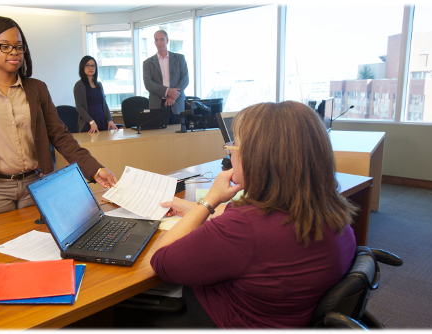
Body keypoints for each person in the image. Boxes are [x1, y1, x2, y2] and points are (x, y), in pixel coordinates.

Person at [149, 101, 358, 328]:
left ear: (258, 157)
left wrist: (209, 201)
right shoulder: (331, 211)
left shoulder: (245, 227)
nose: (229, 150)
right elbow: (255, 241)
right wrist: (198, 210)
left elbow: (160, 259)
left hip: (224, 320)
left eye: (234, 144)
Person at [0, 16, 117, 225]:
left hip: (36, 184)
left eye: (19, 47)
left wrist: (94, 169)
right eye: (5, 46)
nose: (14, 52)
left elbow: (60, 135)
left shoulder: (36, 89)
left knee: (40, 246)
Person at [142, 30, 189, 124]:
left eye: (162, 40)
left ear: (167, 40)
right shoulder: (147, 63)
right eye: (156, 40)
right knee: (159, 136)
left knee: (178, 136)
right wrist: (167, 91)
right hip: (157, 105)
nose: (159, 43)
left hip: (177, 104)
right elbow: (148, 84)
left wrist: (173, 96)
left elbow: (185, 79)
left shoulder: (179, 58)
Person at [73, 56, 118, 134]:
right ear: (82, 67)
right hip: (88, 123)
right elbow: (79, 107)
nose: (91, 68)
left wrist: (110, 120)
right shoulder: (79, 85)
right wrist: (91, 122)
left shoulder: (99, 85)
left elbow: (104, 104)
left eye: (93, 65)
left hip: (102, 121)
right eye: (88, 65)